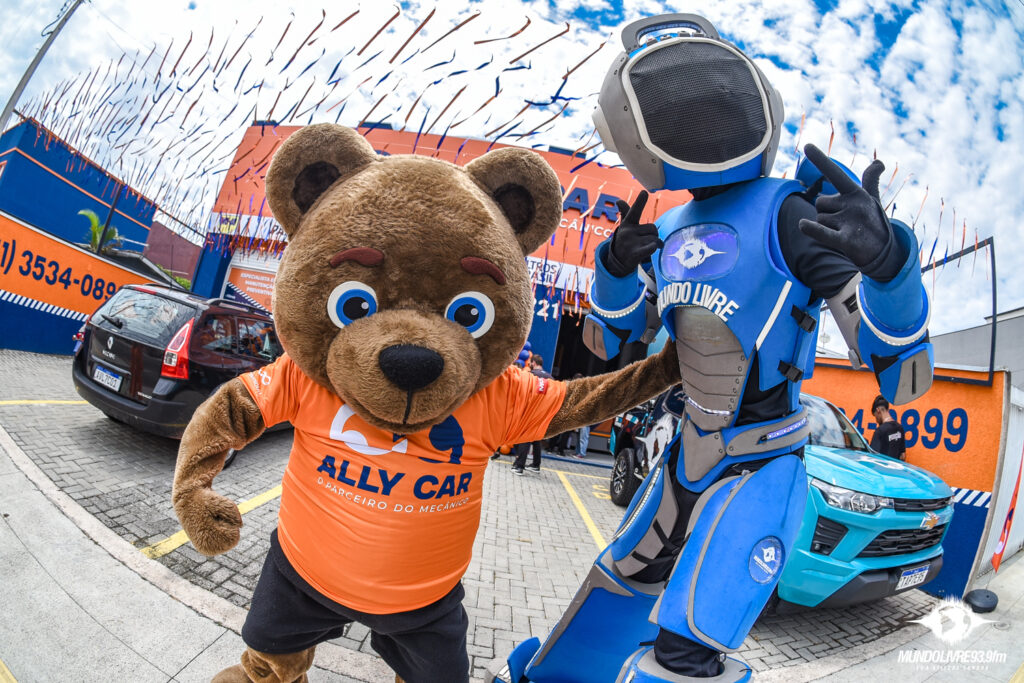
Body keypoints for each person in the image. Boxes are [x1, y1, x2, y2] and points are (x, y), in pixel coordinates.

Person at [517, 13, 935, 681]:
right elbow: (605, 341)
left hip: (762, 464)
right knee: (618, 583)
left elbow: (905, 378)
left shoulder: (789, 215)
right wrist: (614, 270)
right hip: (685, 456)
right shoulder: (668, 229)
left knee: (688, 646)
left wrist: (890, 267)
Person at [512, 356, 553, 475]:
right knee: (536, 438)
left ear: (533, 363)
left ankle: (519, 466)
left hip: (531, 412)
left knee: (525, 437)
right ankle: (536, 464)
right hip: (543, 413)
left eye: (530, 363)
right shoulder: (550, 378)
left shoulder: (531, 375)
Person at [870, 394, 906, 460]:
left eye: (875, 416)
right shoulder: (900, 428)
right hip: (895, 466)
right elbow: (902, 456)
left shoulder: (880, 431)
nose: (876, 420)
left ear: (878, 410)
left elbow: (873, 457)